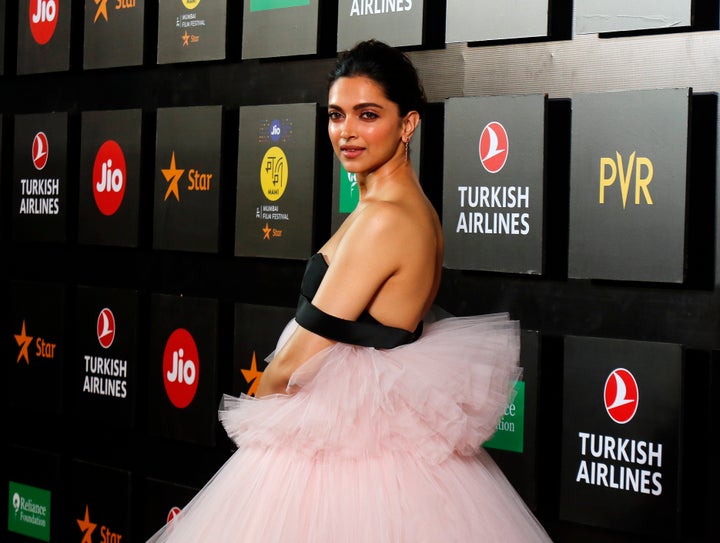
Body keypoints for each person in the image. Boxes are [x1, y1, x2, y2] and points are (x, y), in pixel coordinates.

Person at [147, 39, 553, 542]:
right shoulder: (396, 207)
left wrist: (260, 414)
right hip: (378, 453)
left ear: (408, 124)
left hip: (354, 462)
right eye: (337, 115)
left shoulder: (385, 219)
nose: (347, 132)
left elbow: (295, 359)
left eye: (368, 114)